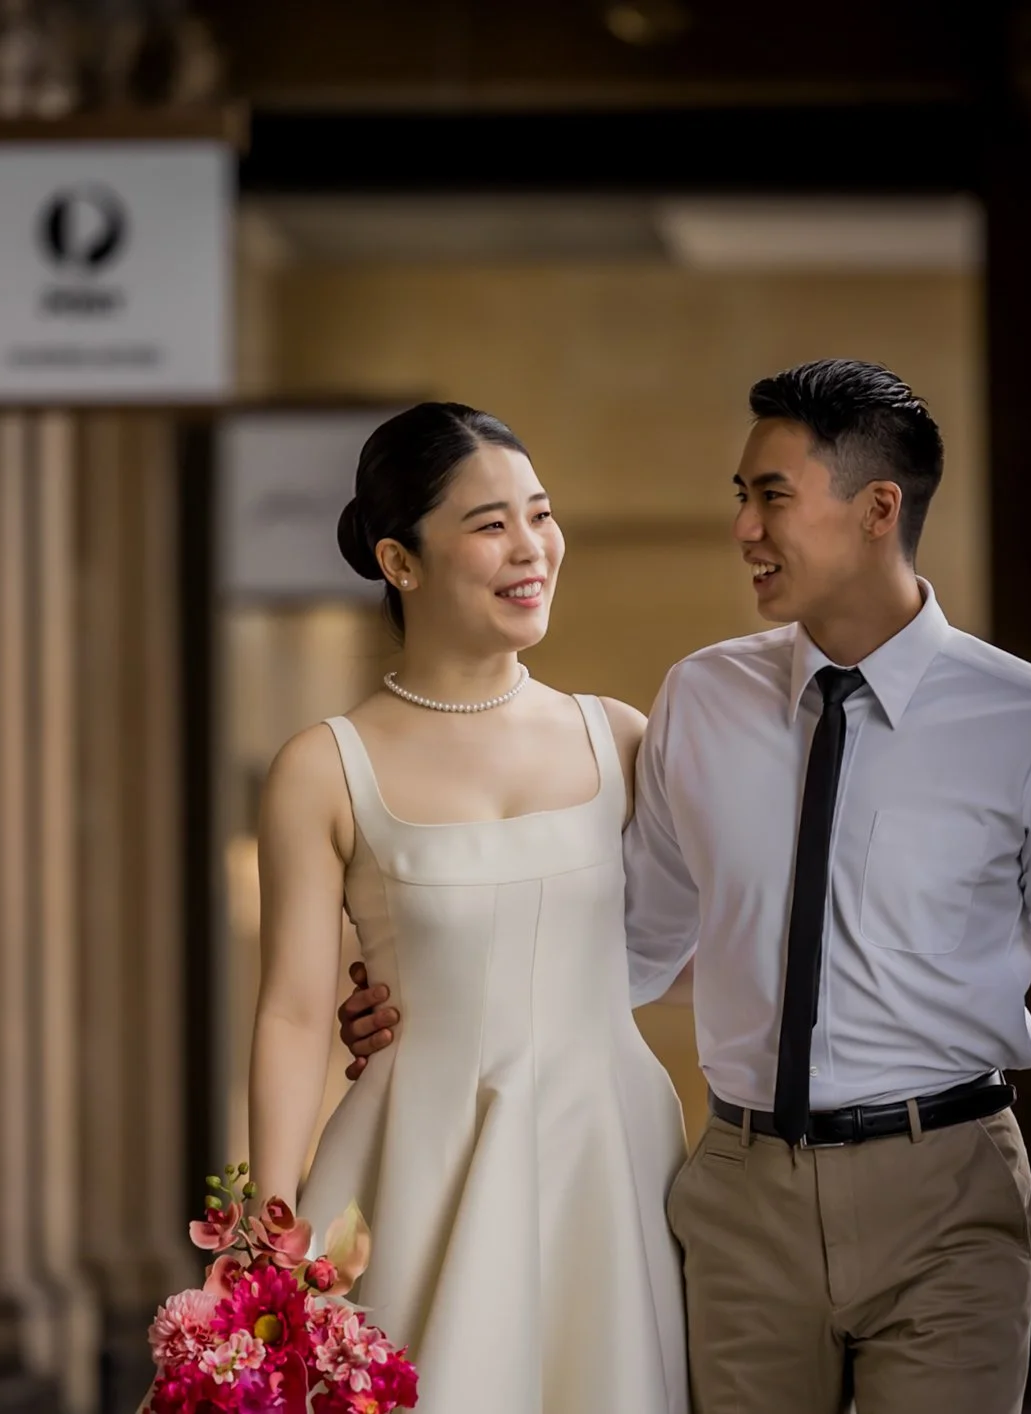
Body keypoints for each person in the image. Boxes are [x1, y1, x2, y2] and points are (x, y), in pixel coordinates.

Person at [341, 360, 1031, 1414]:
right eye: (742, 497)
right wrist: (430, 991)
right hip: (740, 1191)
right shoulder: (702, 696)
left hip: (948, 1189)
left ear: (878, 509)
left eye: (772, 496)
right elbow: (633, 945)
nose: (744, 528)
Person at [250, 402, 690, 1413]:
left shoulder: (622, 740)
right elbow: (292, 1010)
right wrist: (265, 1231)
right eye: (491, 525)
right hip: (415, 1159)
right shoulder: (323, 767)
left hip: (605, 1159)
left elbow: (721, 942)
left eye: (540, 514)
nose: (532, 547)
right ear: (401, 562)